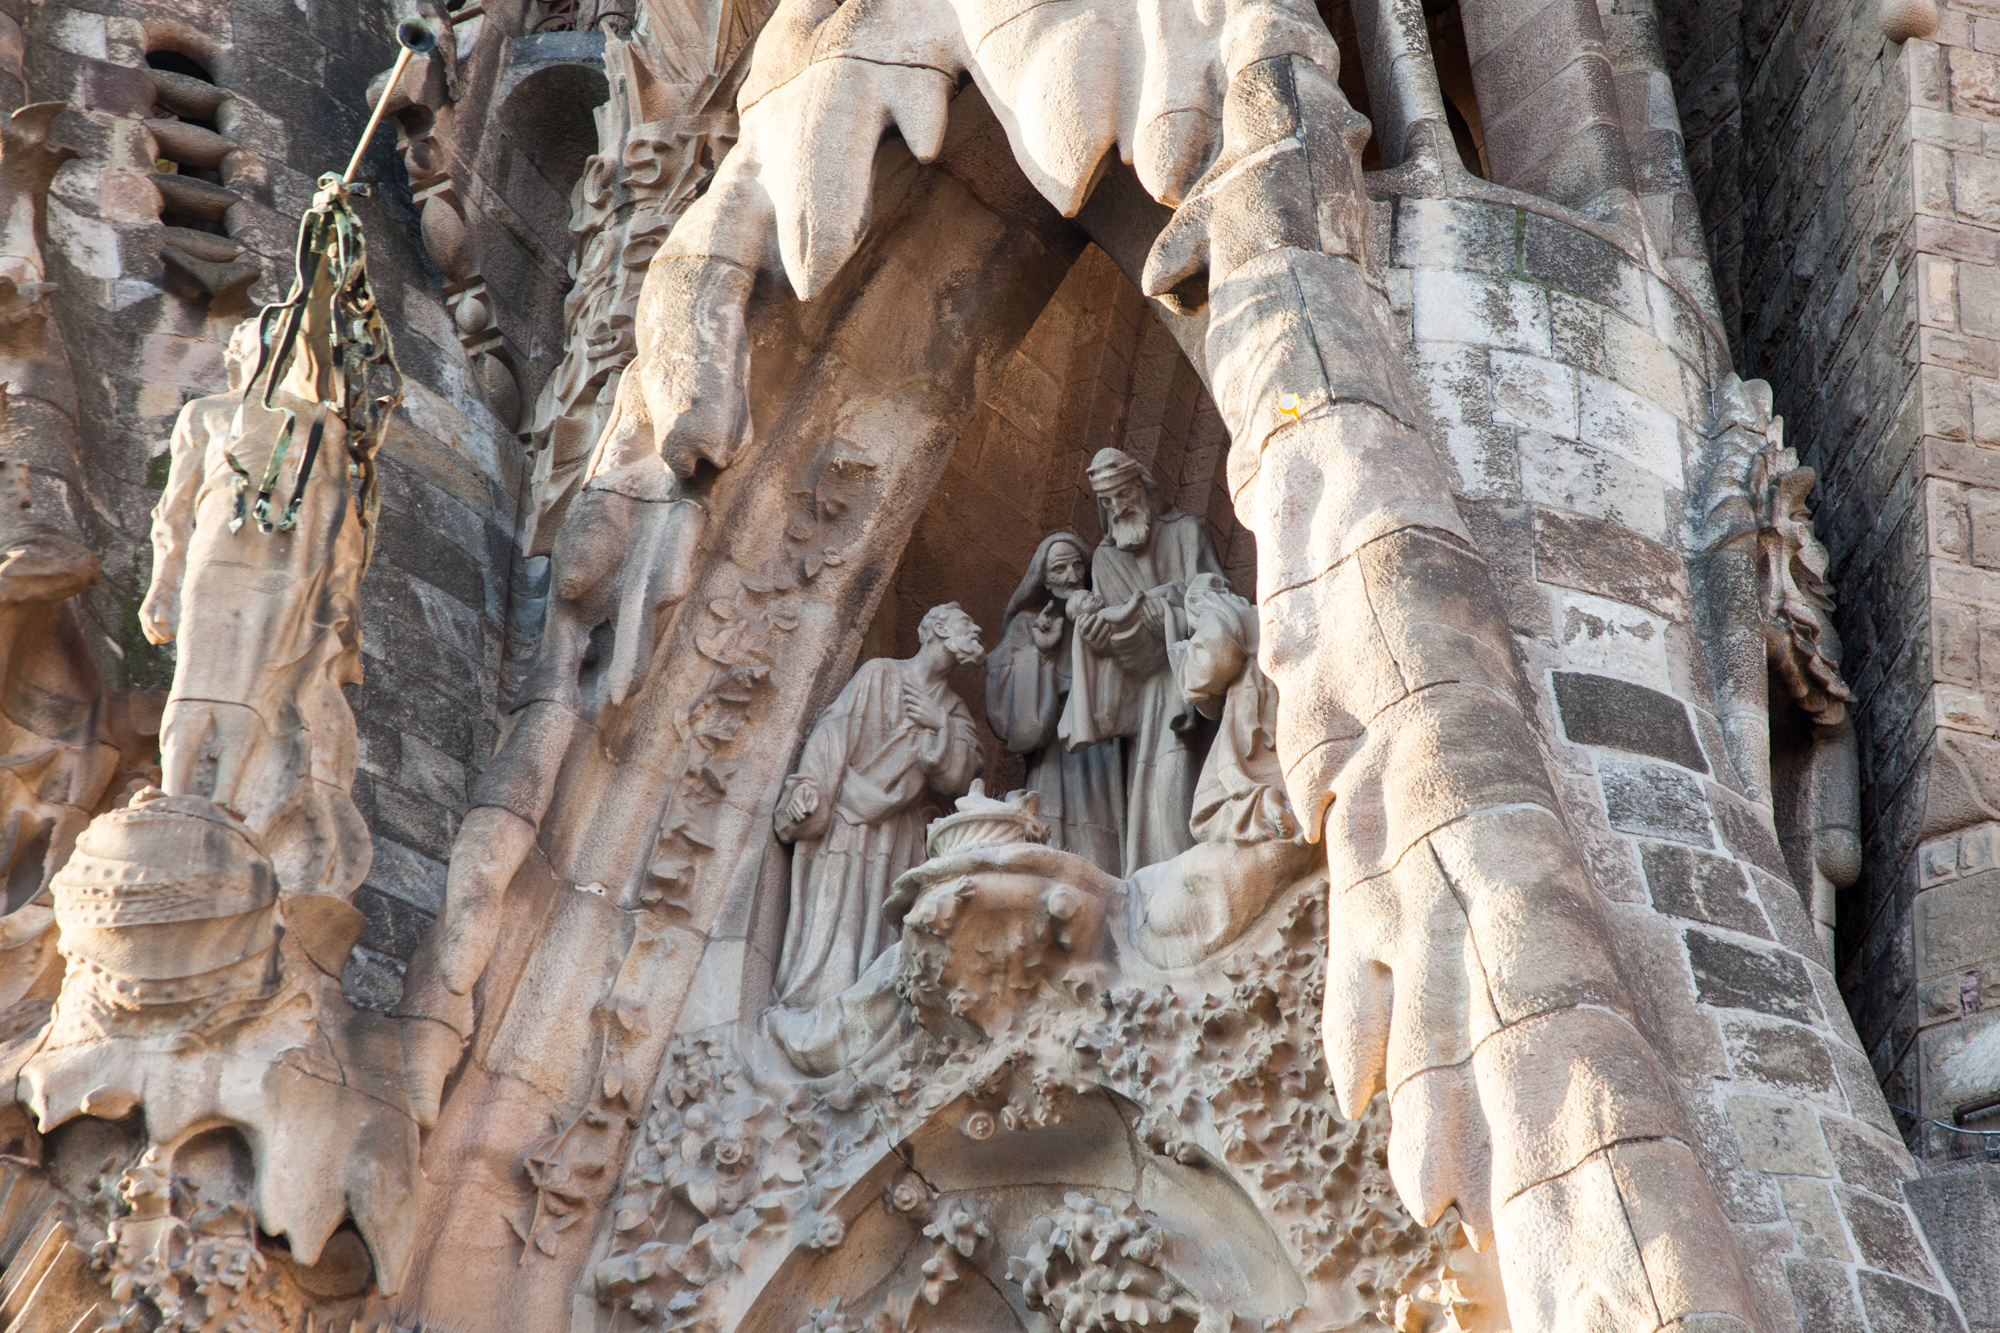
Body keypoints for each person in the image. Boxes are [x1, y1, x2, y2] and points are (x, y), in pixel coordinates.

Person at [771, 603, 985, 1011]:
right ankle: (812, 1006)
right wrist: (809, 786)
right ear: (938, 629)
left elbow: (960, 782)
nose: (976, 630)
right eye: (966, 622)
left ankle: (866, 1011)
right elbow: (832, 732)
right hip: (847, 821)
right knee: (832, 918)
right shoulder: (880, 675)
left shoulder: (953, 710)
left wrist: (939, 723)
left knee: (879, 930)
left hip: (900, 833)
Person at [1060, 448, 1223, 874]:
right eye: (1107, 501)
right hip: (1148, 696)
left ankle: (1196, 869)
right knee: (1155, 786)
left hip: (1193, 678)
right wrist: (1099, 640)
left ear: (1143, 487)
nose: (1118, 508)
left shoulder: (1187, 533)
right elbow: (1118, 640)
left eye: (1124, 494)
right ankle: (1160, 875)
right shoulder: (1106, 558)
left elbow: (1219, 604)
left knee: (1182, 775)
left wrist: (1172, 614)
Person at [984, 533, 1124, 874]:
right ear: (1043, 579)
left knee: (1106, 826)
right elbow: (1006, 702)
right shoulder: (1027, 624)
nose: (1071, 576)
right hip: (1055, 752)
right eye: (1059, 569)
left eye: (1077, 566)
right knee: (1052, 831)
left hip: (1102, 747)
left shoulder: (1103, 616)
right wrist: (1042, 653)